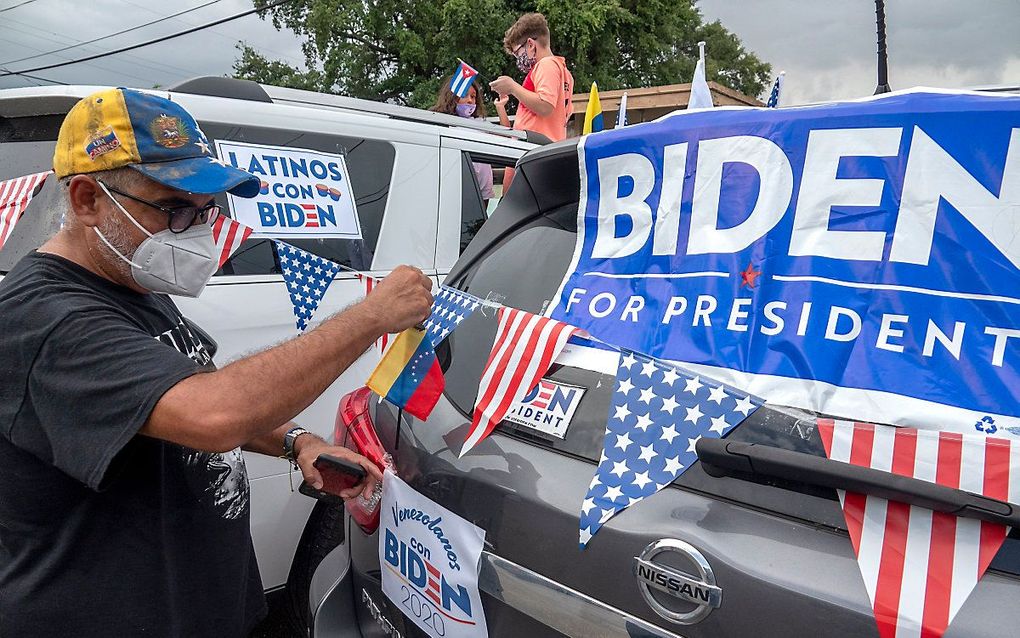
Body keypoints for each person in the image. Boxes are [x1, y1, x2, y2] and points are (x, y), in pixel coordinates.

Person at [0, 88, 433, 637]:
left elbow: (177, 391)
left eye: (207, 211)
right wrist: (371, 315)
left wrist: (294, 442)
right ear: (87, 200)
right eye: (177, 210)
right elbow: (213, 412)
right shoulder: (45, 318)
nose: (199, 232)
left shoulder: (127, 278)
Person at [489, 12, 574, 144]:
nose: (518, 59)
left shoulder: (546, 65)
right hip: (545, 149)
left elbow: (545, 106)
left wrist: (512, 87)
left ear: (530, 44)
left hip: (534, 151)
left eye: (517, 53)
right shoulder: (565, 73)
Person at [431, 77, 495, 205]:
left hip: (482, 191)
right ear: (452, 96)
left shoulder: (479, 123)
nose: (470, 100)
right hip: (457, 187)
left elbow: (505, 137)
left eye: (473, 96)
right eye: (464, 95)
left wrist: (500, 107)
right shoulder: (441, 122)